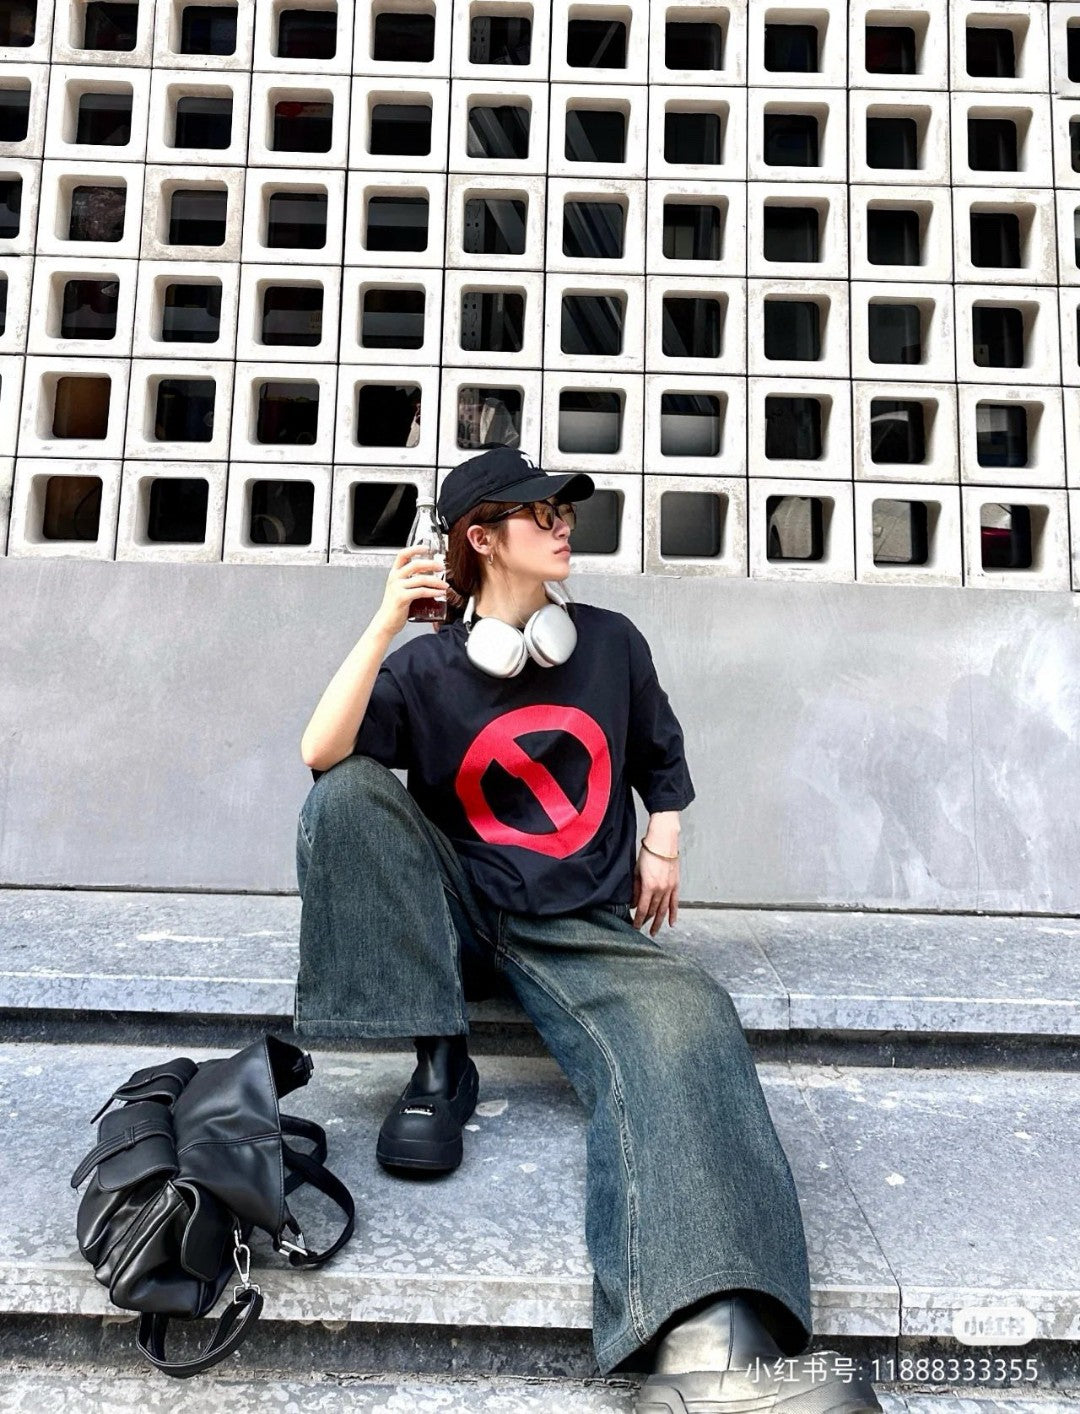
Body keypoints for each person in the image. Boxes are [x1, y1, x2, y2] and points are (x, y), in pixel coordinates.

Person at [294, 446, 881, 1414]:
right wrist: (385, 620)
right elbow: (320, 751)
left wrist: (664, 836)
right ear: (482, 538)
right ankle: (438, 1059)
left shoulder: (608, 643)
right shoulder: (427, 666)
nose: (564, 523)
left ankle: (715, 1344)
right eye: (540, 512)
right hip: (457, 909)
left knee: (688, 1015)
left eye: (565, 509)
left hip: (574, 920)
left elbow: (659, 749)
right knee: (346, 791)